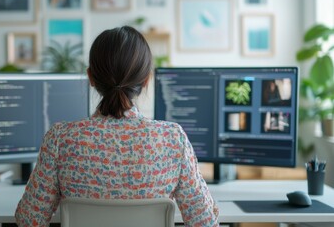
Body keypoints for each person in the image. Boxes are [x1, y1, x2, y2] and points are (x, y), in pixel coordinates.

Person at [15, 26, 219, 226]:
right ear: (146, 79)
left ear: (91, 77)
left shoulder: (60, 138)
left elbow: (28, 219)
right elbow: (205, 221)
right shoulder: (173, 138)